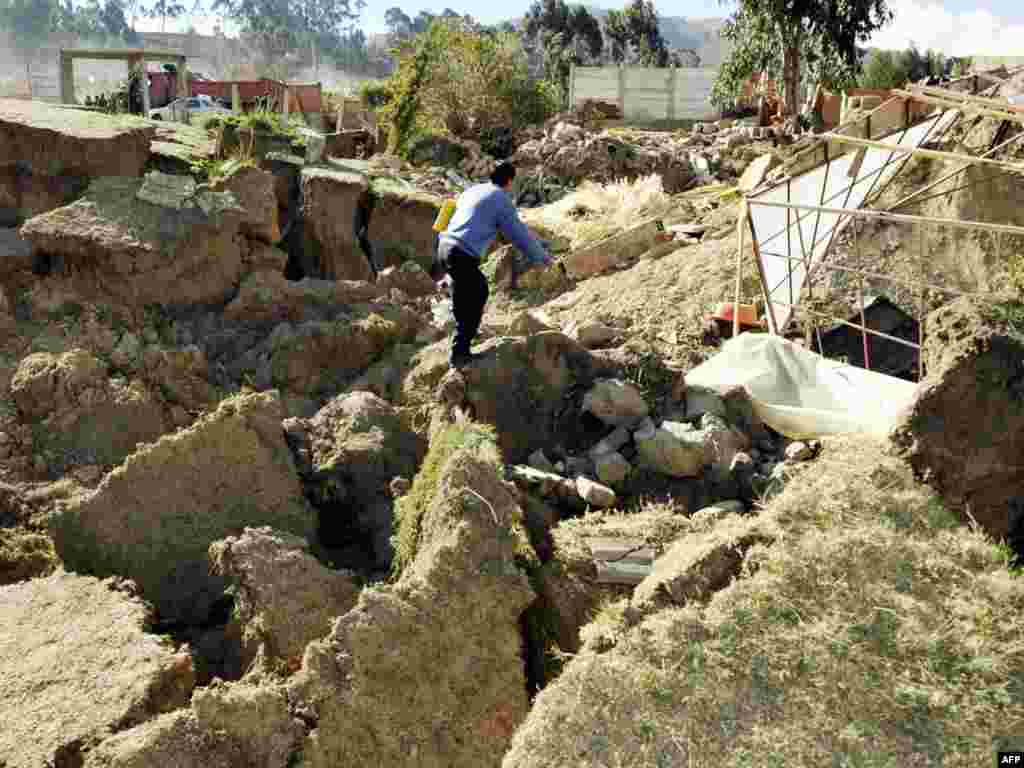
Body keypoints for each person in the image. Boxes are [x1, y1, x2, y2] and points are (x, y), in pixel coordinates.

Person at [434, 162, 552, 368]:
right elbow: (518, 234)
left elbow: (448, 212)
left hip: (444, 246)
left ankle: (463, 339)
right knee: (478, 291)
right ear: (509, 181)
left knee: (465, 292)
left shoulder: (472, 190)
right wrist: (542, 258)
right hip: (462, 253)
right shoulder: (500, 199)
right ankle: (460, 352)